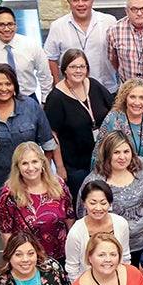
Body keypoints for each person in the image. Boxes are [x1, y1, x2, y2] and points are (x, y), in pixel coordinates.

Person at [0, 64, 57, 220]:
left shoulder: (30, 106)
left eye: (8, 83)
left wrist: (43, 173)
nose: (4, 88)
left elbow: (48, 144)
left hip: (30, 182)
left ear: (15, 85)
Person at [81, 131, 143, 264]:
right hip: (114, 250)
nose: (122, 157)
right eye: (116, 152)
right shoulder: (94, 181)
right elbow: (83, 215)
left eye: (126, 151)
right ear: (107, 154)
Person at [44, 48, 114, 200]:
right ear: (64, 70)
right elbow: (52, 134)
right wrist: (60, 167)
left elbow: (113, 111)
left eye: (82, 67)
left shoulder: (94, 85)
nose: (78, 71)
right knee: (83, 201)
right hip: (76, 165)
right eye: (73, 67)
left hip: (103, 159)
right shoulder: (56, 97)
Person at [0, 142, 75, 263]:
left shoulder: (58, 185)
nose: (31, 168)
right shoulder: (10, 195)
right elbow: (6, 232)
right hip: (28, 260)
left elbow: (69, 218)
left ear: (42, 163)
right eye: (24, 163)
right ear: (17, 167)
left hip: (60, 256)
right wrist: (13, 260)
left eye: (34, 162)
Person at [96, 78, 143, 187]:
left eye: (142, 98)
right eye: (132, 97)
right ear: (125, 98)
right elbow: (99, 153)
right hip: (118, 180)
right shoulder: (112, 119)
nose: (137, 102)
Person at [43, 0, 119, 93]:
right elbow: (51, 57)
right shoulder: (58, 26)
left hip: (107, 88)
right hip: (72, 91)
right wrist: (57, 84)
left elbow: (118, 53)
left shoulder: (109, 21)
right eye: (75, 0)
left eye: (85, 0)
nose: (81, 4)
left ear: (91, 1)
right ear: (69, 2)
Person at [0, 6, 52, 102]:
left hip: (28, 98)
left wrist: (45, 101)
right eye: (1, 25)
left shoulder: (31, 45)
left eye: (10, 24)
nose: (6, 29)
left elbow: (45, 75)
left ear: (16, 25)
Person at [66, 180, 132, 280]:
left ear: (109, 203)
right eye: (92, 203)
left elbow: (125, 257)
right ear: (84, 203)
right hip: (89, 284)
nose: (98, 208)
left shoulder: (120, 223)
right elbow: (72, 269)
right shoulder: (76, 233)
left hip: (117, 280)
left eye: (103, 203)